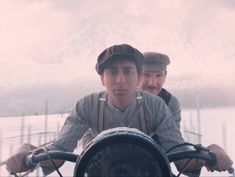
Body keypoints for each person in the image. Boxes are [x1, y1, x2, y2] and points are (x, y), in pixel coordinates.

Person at [6, 44, 233, 176]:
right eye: (112, 72)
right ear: (102, 79)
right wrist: (27, 152)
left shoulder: (158, 106)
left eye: (128, 71)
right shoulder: (86, 105)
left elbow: (180, 156)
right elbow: (57, 150)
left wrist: (211, 152)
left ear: (137, 77)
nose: (120, 79)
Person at [138, 52, 181, 129]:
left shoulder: (170, 103)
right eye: (146, 75)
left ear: (165, 76)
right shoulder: (122, 99)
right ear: (137, 76)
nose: (152, 83)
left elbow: (173, 139)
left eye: (158, 76)